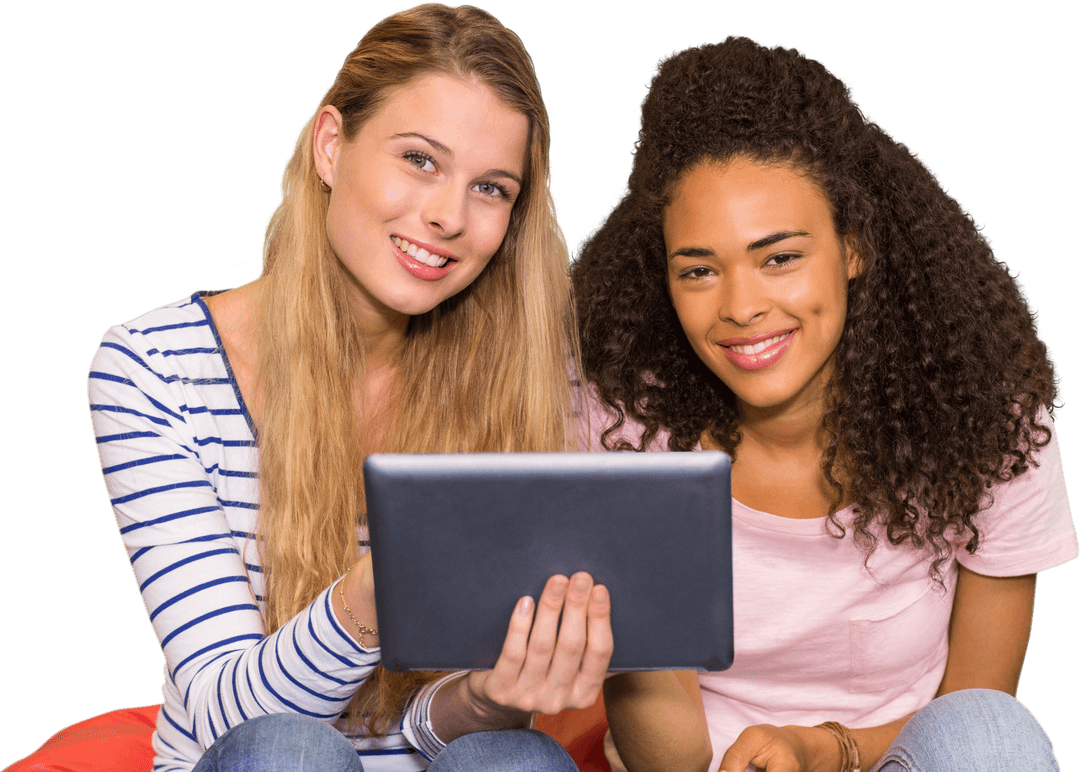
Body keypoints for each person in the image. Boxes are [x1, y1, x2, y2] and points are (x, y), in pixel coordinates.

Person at [87, 5, 613, 771]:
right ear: (332, 147)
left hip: (443, 759)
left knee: (516, 756)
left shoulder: (538, 378)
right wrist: (369, 599)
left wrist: (494, 694)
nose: (447, 217)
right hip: (257, 756)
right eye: (421, 160)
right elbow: (220, 715)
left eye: (492, 188)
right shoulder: (154, 368)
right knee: (287, 751)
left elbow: (438, 728)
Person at [572, 36, 1077, 772]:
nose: (742, 307)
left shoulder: (985, 425)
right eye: (699, 270)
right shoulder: (622, 428)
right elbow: (668, 761)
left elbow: (978, 709)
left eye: (779, 257)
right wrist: (629, 641)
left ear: (852, 248)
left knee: (992, 732)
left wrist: (822, 749)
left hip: (886, 760)